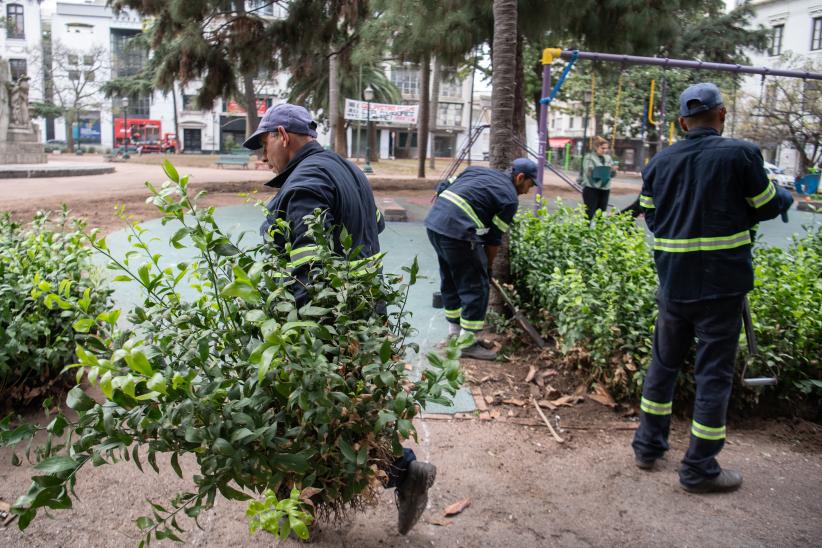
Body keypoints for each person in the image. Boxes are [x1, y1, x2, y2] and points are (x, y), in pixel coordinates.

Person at [243, 103, 435, 535]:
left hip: (325, 323)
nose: (262, 155)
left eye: (263, 144)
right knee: (352, 409)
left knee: (300, 413)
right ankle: (404, 472)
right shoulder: (346, 170)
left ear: (282, 135)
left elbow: (309, 271)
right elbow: (375, 227)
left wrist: (293, 333)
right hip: (365, 315)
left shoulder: (307, 181)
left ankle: (300, 510)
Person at [631, 83, 793, 493]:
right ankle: (699, 469)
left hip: (674, 283)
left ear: (683, 122)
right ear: (721, 115)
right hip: (721, 287)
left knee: (663, 366)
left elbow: (649, 215)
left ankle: (648, 447)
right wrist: (782, 198)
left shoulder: (660, 161)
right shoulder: (741, 153)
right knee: (713, 375)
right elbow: (767, 204)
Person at [425, 158, 537, 361]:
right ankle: (467, 343)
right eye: (530, 184)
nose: (528, 190)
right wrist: (487, 267)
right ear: (520, 177)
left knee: (451, 279)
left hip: (434, 224)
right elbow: (494, 239)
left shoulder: (474, 170)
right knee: (475, 286)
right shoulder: (510, 198)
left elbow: (442, 186)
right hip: (457, 233)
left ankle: (455, 335)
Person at [581, 136, 618, 220]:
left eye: (606, 148)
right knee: (589, 214)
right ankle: (586, 232)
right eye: (602, 148)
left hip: (605, 189)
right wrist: (603, 170)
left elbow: (612, 175)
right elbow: (589, 174)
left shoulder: (608, 158)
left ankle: (599, 232)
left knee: (601, 215)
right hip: (591, 189)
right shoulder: (589, 157)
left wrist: (613, 171)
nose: (605, 150)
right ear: (596, 147)